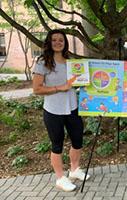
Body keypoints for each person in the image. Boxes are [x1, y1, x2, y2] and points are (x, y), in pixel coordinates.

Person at [32, 29, 90, 192]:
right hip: (53, 110)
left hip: (72, 107)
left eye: (61, 40)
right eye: (54, 40)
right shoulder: (43, 62)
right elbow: (37, 89)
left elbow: (76, 82)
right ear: (49, 42)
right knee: (57, 144)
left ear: (65, 43)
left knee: (77, 140)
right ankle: (60, 178)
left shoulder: (70, 61)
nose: (58, 42)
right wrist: (59, 87)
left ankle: (74, 170)